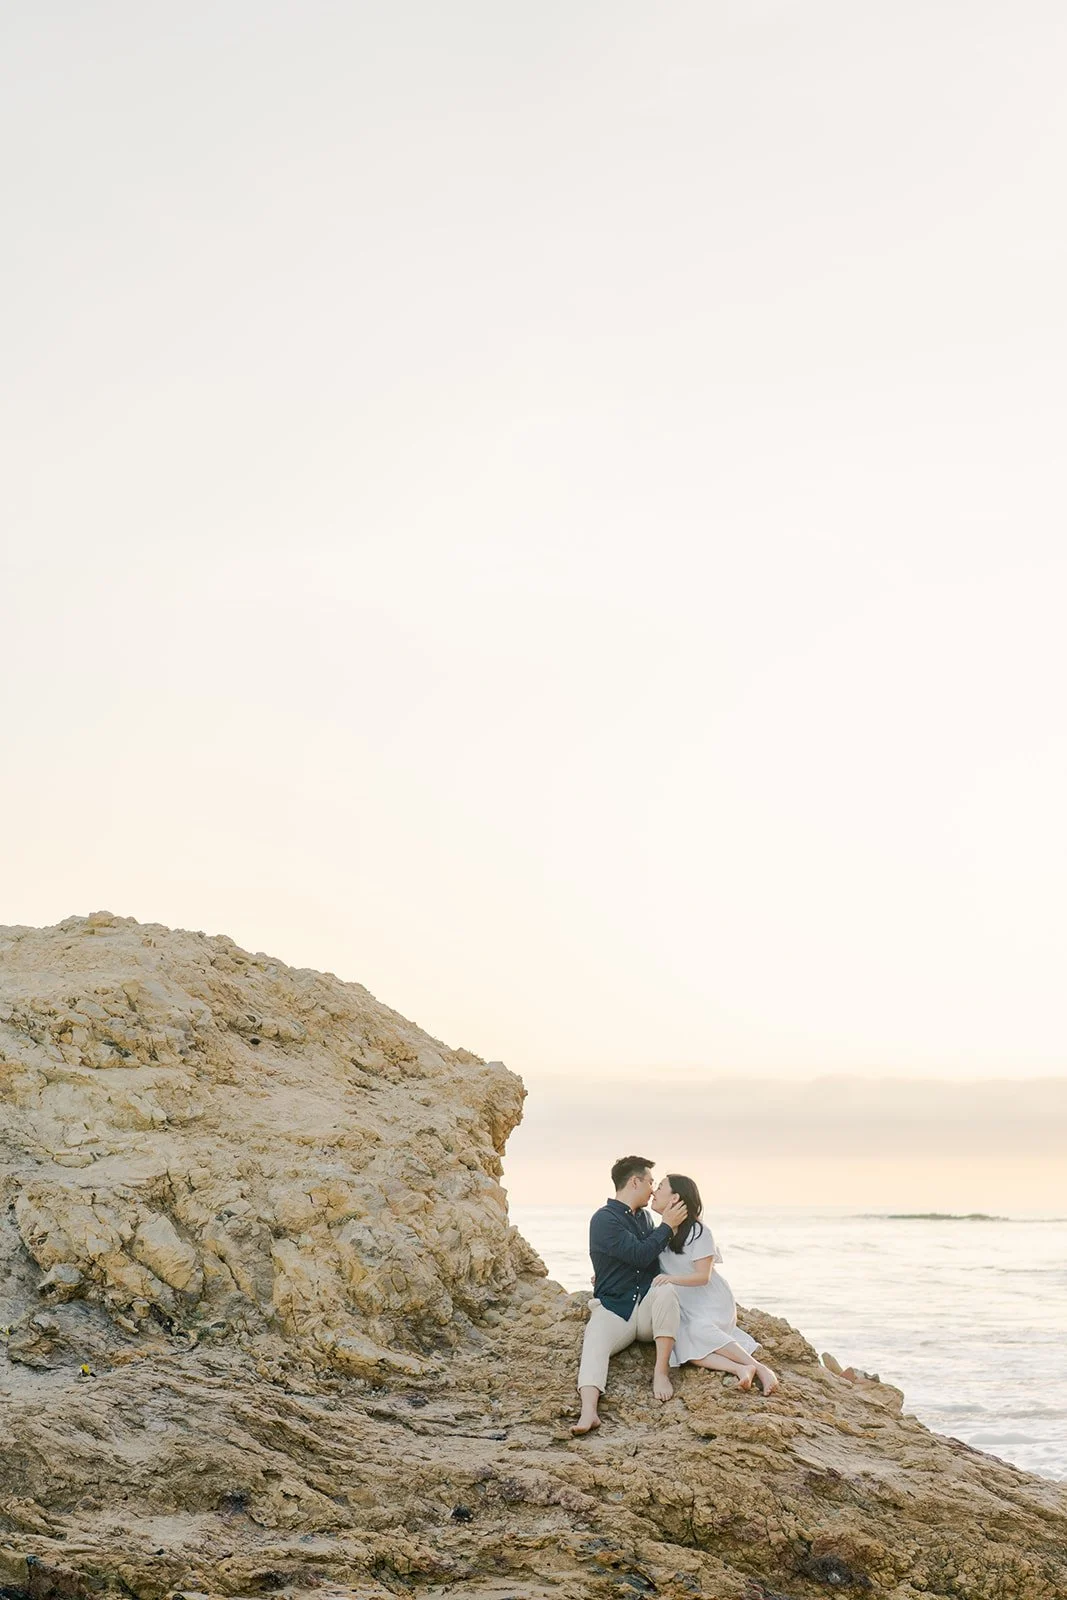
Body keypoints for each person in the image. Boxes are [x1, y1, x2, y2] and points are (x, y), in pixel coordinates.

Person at [571, 1155, 689, 1436]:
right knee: (594, 1339)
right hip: (615, 1308)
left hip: (646, 1309)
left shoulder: (646, 1218)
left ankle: (660, 1373)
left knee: (666, 1289)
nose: (652, 1189)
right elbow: (638, 1254)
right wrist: (667, 1227)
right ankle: (589, 1411)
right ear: (635, 1181)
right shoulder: (603, 1219)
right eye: (650, 1182)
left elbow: (651, 1259)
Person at [649, 1173, 779, 1395]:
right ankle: (741, 1368)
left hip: (710, 1301)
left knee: (699, 1330)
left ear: (674, 1198)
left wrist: (671, 1279)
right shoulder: (659, 1234)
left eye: (660, 1187)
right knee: (684, 1346)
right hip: (686, 1305)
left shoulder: (699, 1232)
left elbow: (703, 1277)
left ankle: (761, 1369)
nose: (653, 1191)